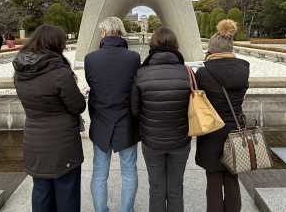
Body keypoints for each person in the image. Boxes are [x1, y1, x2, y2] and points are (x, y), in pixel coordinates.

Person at [13, 24, 86, 212]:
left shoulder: (20, 72)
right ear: (55, 44)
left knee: (41, 191)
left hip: (34, 141)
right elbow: (77, 106)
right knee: (67, 192)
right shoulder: (59, 72)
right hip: (62, 144)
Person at [84, 16, 141, 212]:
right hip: (126, 122)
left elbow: (94, 85)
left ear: (104, 33)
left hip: (101, 122)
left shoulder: (90, 58)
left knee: (99, 172)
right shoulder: (133, 57)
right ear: (121, 32)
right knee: (129, 171)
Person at [131, 27, 190, 212]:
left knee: (156, 188)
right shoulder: (188, 73)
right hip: (181, 139)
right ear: (175, 46)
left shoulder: (141, 73)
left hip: (152, 141)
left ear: (152, 45)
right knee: (176, 187)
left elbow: (134, 110)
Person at [195, 19, 250, 212]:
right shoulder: (244, 68)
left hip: (212, 130)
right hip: (236, 128)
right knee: (232, 179)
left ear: (211, 51)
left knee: (214, 180)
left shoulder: (203, 73)